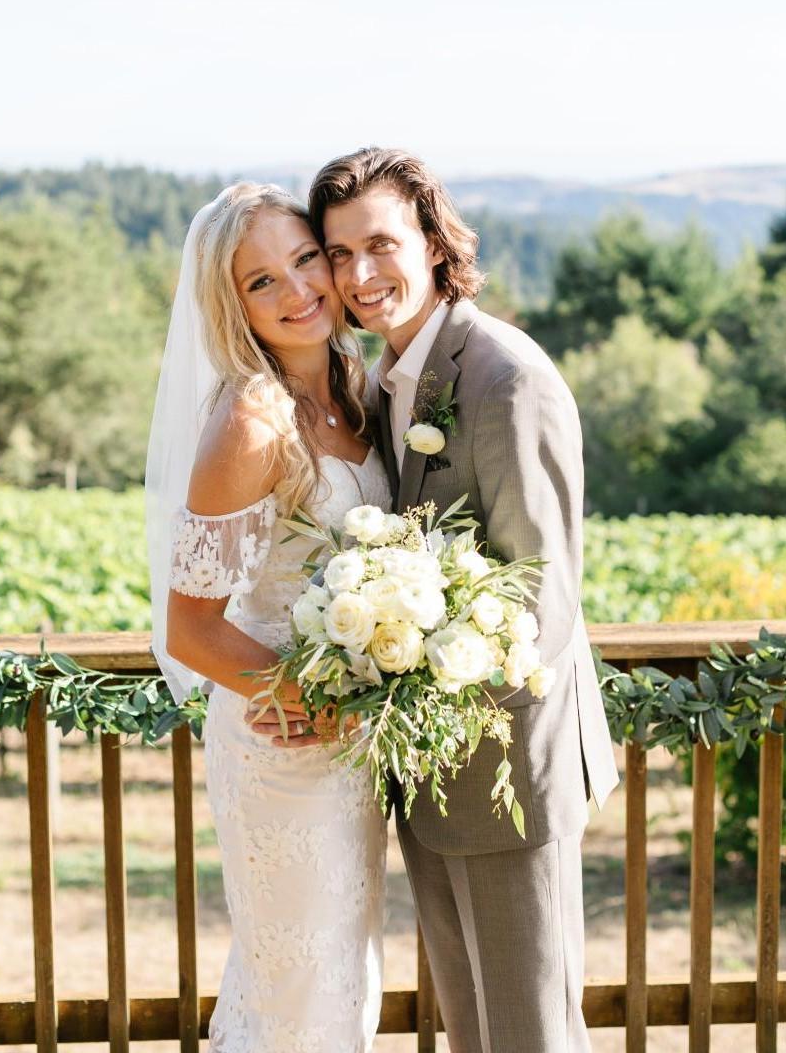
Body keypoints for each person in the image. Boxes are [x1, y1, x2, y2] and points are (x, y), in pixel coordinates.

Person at [307, 147, 619, 1053]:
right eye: (337, 253)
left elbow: (543, 602)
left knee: (532, 1034)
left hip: (508, 767)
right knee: (476, 1031)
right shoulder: (394, 382)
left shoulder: (503, 378)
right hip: (433, 779)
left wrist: (437, 697)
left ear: (434, 242)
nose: (360, 275)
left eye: (381, 244)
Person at [145, 182, 392, 1053]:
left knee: (344, 976)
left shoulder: (359, 390)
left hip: (355, 741)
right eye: (261, 282)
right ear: (232, 306)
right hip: (285, 737)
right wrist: (309, 700)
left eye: (305, 259)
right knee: (298, 990)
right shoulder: (253, 423)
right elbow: (191, 628)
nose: (297, 292)